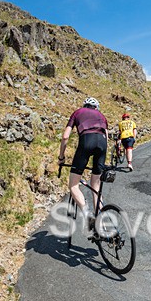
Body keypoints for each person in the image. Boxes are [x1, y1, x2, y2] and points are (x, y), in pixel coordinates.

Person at [58, 97, 108, 231]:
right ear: (96, 108)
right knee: (96, 187)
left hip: (86, 141)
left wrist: (61, 157)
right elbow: (107, 138)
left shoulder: (77, 112)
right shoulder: (102, 116)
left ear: (84, 105)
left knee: (73, 185)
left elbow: (65, 137)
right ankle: (102, 226)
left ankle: (87, 215)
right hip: (102, 144)